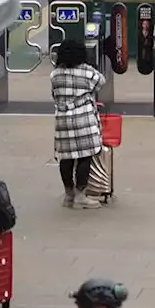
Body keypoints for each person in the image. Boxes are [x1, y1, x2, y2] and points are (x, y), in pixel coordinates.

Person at [51, 39, 105, 210]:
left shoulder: (55, 74)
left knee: (65, 157)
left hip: (63, 121)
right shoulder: (87, 72)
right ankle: (81, 195)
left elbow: (54, 94)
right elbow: (101, 82)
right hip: (84, 120)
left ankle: (68, 195)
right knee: (85, 156)